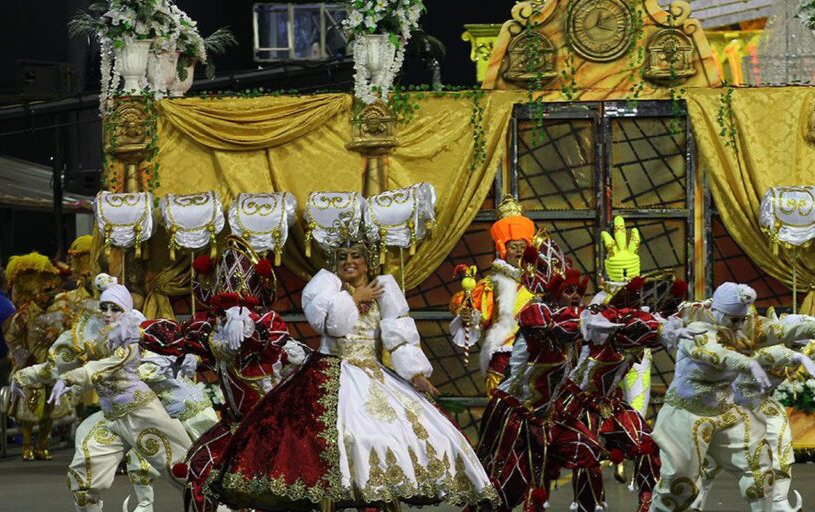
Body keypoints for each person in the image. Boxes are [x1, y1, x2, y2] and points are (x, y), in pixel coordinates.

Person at [208, 207, 498, 511]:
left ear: (367, 261)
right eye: (343, 257)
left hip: (370, 374)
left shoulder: (385, 288)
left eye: (356, 256)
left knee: (381, 436)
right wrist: (354, 299)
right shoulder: (326, 290)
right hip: (326, 372)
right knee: (318, 441)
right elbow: (330, 326)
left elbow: (398, 331)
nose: (349, 262)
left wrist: (415, 373)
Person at [141, 236, 305, 512]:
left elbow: (271, 345)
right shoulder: (210, 327)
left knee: (269, 485)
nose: (229, 318)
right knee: (199, 468)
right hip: (234, 426)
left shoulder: (265, 324)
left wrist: (253, 331)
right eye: (224, 310)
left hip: (268, 428)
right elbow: (176, 337)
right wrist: (139, 329)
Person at [649, 282, 815, 512]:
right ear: (717, 312)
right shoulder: (697, 329)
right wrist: (749, 364)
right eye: (733, 320)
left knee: (759, 470)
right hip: (687, 415)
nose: (740, 325)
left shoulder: (743, 326)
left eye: (742, 319)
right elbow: (716, 355)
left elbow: (777, 331)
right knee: (681, 488)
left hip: (725, 413)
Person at [690, 307, 815, 512]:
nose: (801, 348)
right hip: (729, 403)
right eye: (797, 342)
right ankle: (693, 500)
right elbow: (766, 355)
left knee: (781, 445)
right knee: (711, 460)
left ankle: (779, 502)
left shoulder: (802, 349)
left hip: (761, 404)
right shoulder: (763, 340)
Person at [474, 241, 608, 512]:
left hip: (550, 417)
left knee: (589, 451)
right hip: (515, 416)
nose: (573, 296)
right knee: (509, 488)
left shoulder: (576, 320)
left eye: (577, 292)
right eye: (567, 291)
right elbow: (551, 325)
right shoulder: (536, 312)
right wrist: (586, 323)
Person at [47, 275, 193, 512]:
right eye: (104, 307)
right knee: (84, 481)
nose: (107, 313)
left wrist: (70, 378)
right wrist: (30, 377)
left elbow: (106, 366)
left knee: (185, 474)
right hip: (110, 418)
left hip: (141, 413)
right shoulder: (98, 339)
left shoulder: (130, 336)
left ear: (125, 311)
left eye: (114, 308)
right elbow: (74, 366)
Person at [450, 194, 537, 395]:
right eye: (513, 247)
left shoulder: (539, 282)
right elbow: (477, 315)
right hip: (503, 356)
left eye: (522, 247)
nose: (518, 252)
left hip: (536, 356)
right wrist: (469, 316)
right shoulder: (490, 285)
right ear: (503, 250)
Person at [3, 251, 69, 461]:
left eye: (51, 290)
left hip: (52, 365)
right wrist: (23, 358)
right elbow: (12, 338)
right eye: (44, 290)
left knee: (49, 408)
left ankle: (42, 444)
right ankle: (27, 445)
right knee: (29, 409)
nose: (49, 294)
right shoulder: (23, 314)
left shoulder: (59, 312)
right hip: (30, 365)